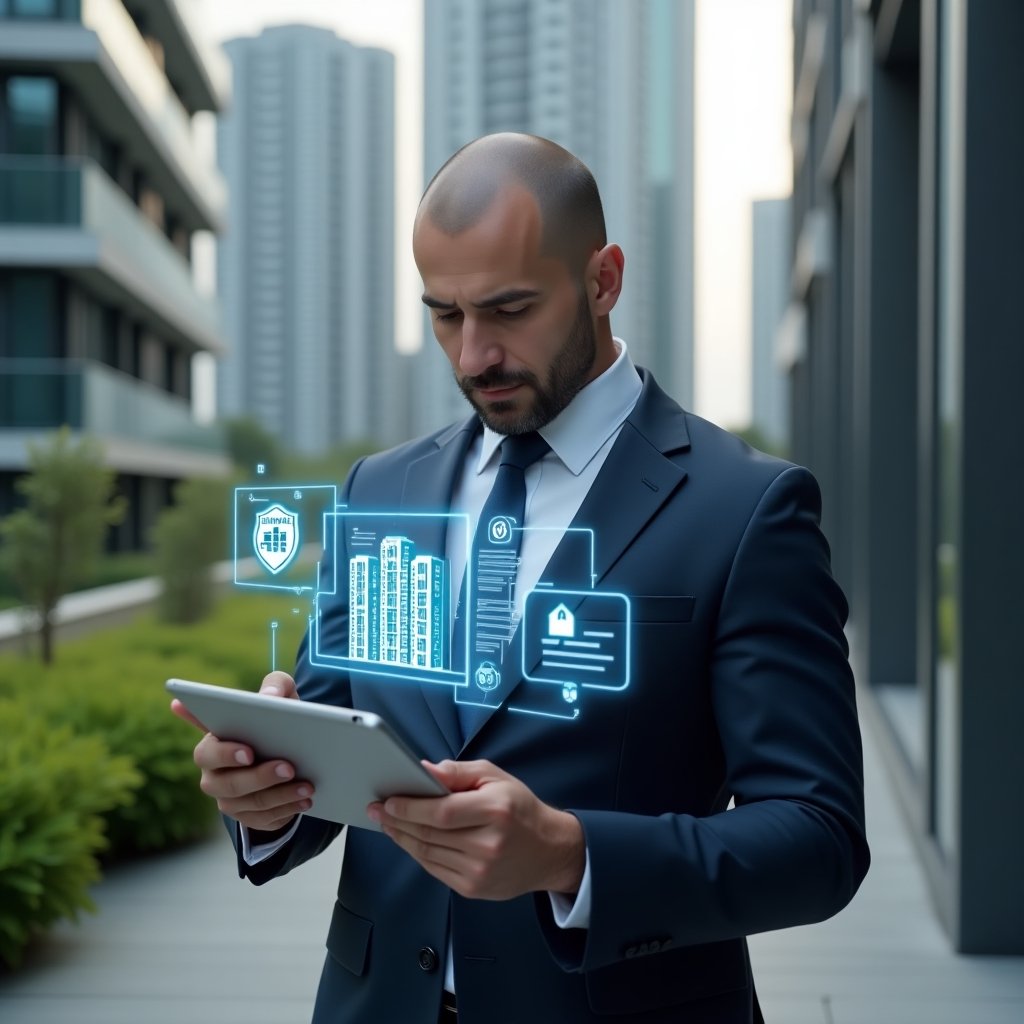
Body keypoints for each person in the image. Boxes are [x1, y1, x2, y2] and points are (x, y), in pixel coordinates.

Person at [173, 133, 869, 1024]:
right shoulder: (380, 492)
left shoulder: (747, 509)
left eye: (508, 310)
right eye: (445, 314)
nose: (472, 357)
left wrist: (572, 857)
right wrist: (265, 795)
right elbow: (335, 742)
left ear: (604, 280)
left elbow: (817, 840)